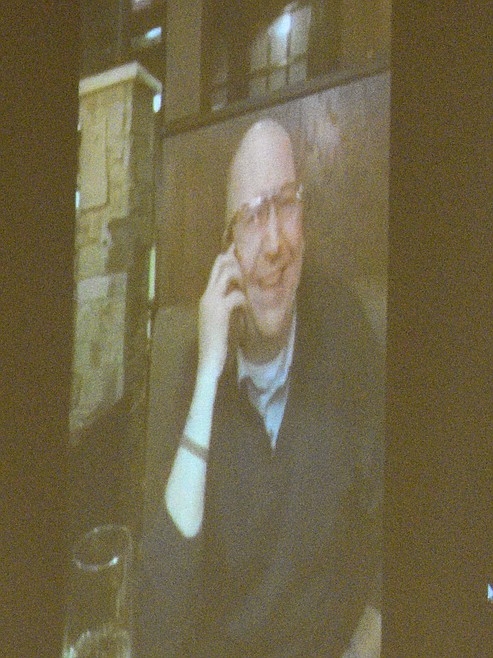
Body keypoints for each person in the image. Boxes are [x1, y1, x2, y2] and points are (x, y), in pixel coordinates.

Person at [135, 119, 384, 657]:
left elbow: (394, 499)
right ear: (227, 251)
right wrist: (208, 378)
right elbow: (159, 618)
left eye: (286, 204)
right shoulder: (194, 367)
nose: (275, 243)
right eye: (252, 216)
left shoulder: (341, 324)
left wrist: (373, 631)